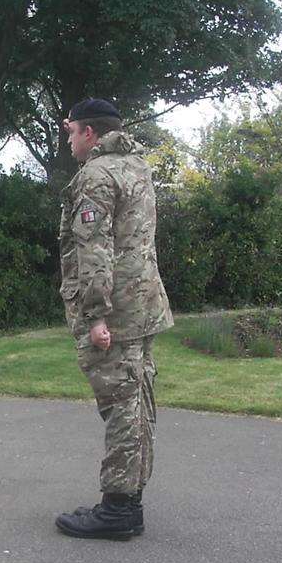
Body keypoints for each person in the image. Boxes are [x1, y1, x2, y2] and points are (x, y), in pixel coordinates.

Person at [54, 98, 173, 540]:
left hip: (116, 310)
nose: (68, 141)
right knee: (137, 402)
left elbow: (94, 248)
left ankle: (118, 509)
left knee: (122, 406)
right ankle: (129, 500)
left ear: (89, 134)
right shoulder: (137, 167)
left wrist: (96, 315)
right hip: (143, 302)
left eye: (72, 133)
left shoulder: (96, 176)